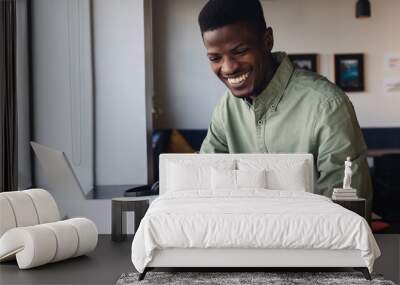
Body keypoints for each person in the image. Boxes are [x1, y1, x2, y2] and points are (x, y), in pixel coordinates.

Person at [197, 0, 372, 219]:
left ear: (267, 40)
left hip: (314, 249)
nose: (228, 67)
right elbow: (203, 187)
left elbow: (344, 213)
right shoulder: (226, 108)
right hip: (243, 244)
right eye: (215, 58)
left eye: (240, 51)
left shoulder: (327, 105)